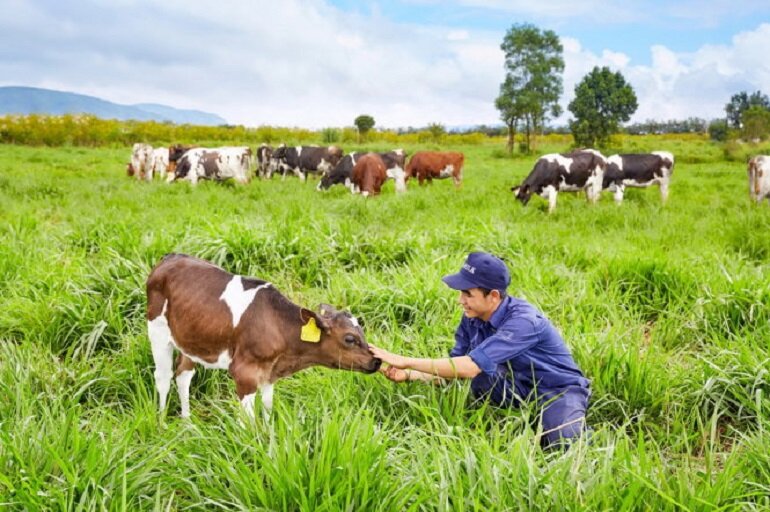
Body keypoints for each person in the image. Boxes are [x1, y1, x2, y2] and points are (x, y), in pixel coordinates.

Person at [369, 251, 591, 448]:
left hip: (556, 390)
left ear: (493, 296)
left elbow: (468, 367)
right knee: (480, 377)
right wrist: (407, 375)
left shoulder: (524, 321)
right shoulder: (472, 317)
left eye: (468, 294)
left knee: (563, 442)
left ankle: (574, 429)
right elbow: (454, 370)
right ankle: (513, 422)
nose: (460, 300)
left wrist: (404, 360)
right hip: (515, 387)